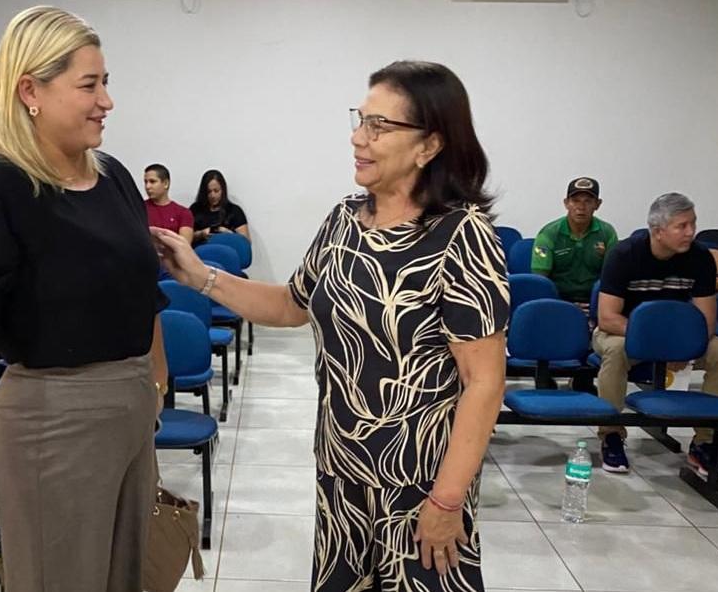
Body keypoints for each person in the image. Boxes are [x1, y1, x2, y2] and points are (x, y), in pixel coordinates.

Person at [154, 61, 509, 591]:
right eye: (360, 120)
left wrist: (447, 499)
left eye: (379, 126)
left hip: (420, 485)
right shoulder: (345, 218)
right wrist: (201, 277)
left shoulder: (462, 235)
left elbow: (484, 382)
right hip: (342, 472)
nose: (358, 137)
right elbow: (292, 303)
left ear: (429, 145)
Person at [0, 6, 168, 592]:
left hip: (132, 409)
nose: (106, 101)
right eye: (89, 85)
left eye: (106, 82)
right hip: (54, 421)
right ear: (30, 90)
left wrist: (154, 385)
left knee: (126, 577)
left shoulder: (113, 177)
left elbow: (143, 293)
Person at [595, 192, 718, 476]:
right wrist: (657, 342)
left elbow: (707, 320)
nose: (691, 232)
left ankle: (705, 441)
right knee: (616, 352)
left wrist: (683, 346)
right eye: (682, 226)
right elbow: (607, 317)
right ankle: (611, 434)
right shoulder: (624, 254)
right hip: (624, 332)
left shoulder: (700, 258)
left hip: (680, 336)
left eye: (693, 224)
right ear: (657, 231)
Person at [532, 177, 618, 309]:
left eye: (588, 201)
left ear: (597, 204)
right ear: (566, 203)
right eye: (575, 201)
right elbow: (540, 280)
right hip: (558, 303)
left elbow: (612, 277)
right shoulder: (548, 234)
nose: (581, 207)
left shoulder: (607, 233)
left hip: (596, 304)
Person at [189, 169, 249, 243]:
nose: (212, 195)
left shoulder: (234, 211)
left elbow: (246, 242)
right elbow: (185, 237)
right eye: (208, 192)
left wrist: (230, 234)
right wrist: (200, 234)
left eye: (216, 191)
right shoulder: (195, 210)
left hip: (228, 247)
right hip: (201, 248)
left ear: (223, 190)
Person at [143, 163, 194, 243]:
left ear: (166, 184)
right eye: (146, 182)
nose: (147, 186)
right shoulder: (139, 208)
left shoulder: (183, 213)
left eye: (152, 182)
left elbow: (184, 245)